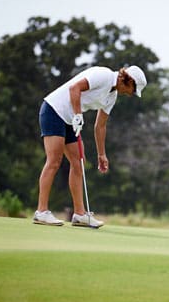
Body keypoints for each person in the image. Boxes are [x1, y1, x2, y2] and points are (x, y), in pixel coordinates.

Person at [33, 65, 147, 228]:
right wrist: (79, 114)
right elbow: (75, 88)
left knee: (78, 162)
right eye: (132, 90)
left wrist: (102, 154)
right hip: (54, 110)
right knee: (54, 160)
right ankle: (41, 212)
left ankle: (79, 214)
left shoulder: (112, 96)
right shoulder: (103, 75)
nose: (130, 94)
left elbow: (100, 126)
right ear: (127, 80)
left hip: (71, 118)